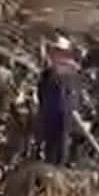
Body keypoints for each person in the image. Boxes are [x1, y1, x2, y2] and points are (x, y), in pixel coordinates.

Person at [37, 36, 80, 166]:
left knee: (61, 141)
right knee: (51, 141)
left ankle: (59, 165)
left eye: (58, 51)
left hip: (64, 111)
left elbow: (73, 93)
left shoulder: (70, 70)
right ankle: (51, 163)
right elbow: (41, 90)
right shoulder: (49, 71)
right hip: (50, 111)